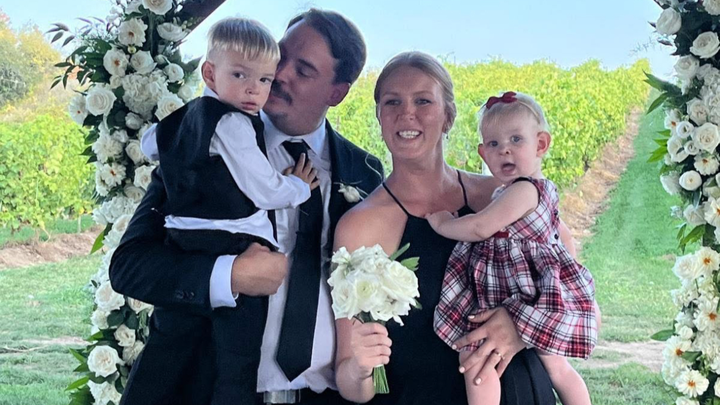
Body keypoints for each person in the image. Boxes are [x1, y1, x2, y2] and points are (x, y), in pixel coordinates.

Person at [109, 8, 383, 405]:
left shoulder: (364, 172)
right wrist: (229, 275)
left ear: (336, 92)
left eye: (303, 70)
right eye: (280, 57)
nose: (279, 74)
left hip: (327, 395)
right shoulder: (201, 144)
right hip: (205, 388)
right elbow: (129, 267)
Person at [333, 52, 556, 405]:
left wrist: (520, 328)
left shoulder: (504, 197)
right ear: (379, 116)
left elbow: (578, 299)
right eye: (393, 102)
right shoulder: (360, 225)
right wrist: (360, 368)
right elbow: (351, 384)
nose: (407, 113)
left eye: (423, 100)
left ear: (448, 115)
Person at [426, 91, 597, 405]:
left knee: (477, 359)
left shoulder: (524, 190)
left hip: (520, 291)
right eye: (493, 144)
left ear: (540, 145)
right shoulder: (521, 190)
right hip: (530, 290)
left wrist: (442, 224)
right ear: (483, 153)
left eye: (516, 140)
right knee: (557, 368)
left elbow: (480, 227)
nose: (504, 149)